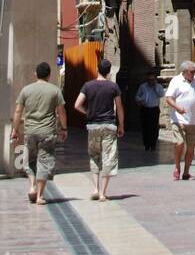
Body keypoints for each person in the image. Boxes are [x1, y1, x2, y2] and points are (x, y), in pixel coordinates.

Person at [11, 61, 67, 205]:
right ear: (49, 74)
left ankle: (32, 186)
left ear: (35, 74)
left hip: (30, 131)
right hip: (47, 132)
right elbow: (61, 112)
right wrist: (64, 128)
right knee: (45, 161)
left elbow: (18, 111)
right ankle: (40, 196)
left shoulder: (26, 90)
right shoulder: (55, 91)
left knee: (30, 160)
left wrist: (15, 129)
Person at [75, 58, 124, 201]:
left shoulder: (87, 86)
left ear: (97, 69)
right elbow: (119, 107)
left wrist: (88, 113)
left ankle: (95, 188)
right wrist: (121, 125)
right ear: (109, 72)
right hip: (109, 125)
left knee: (94, 156)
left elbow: (77, 105)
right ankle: (103, 192)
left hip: (93, 126)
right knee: (108, 157)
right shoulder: (113, 87)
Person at [165, 60, 195, 181]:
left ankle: (186, 173)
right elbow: (168, 98)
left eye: (194, 71)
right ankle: (177, 167)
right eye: (191, 71)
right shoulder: (176, 81)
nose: (194, 73)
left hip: (193, 120)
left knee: (190, 148)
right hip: (178, 119)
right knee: (179, 143)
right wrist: (178, 108)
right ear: (184, 72)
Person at [135, 70, 166, 150]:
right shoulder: (143, 86)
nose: (150, 82)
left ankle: (153, 144)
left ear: (155, 80)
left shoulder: (158, 86)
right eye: (149, 80)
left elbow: (161, 94)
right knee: (145, 126)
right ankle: (146, 144)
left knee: (154, 127)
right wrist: (140, 100)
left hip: (154, 109)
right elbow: (137, 96)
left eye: (152, 80)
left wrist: (155, 86)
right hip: (145, 109)